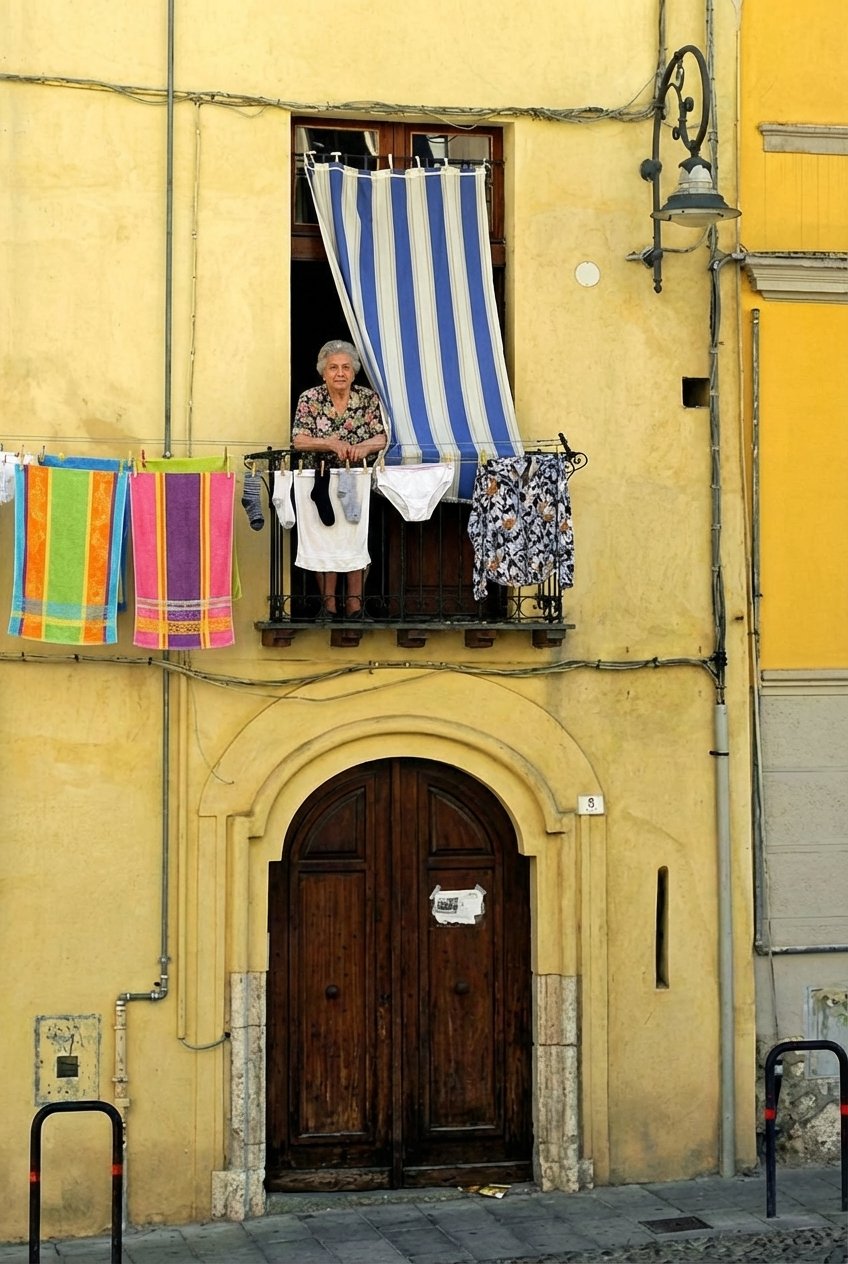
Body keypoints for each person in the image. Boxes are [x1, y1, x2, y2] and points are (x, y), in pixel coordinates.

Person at [291, 340, 388, 618]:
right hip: (320, 481)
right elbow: (299, 440)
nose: (340, 373)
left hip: (357, 479)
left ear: (354, 372)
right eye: (333, 368)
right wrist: (330, 444)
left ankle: (355, 605)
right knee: (325, 538)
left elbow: (383, 436)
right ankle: (329, 605)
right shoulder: (310, 399)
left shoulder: (368, 399)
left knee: (354, 538)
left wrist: (365, 447)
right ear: (323, 372)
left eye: (346, 367)